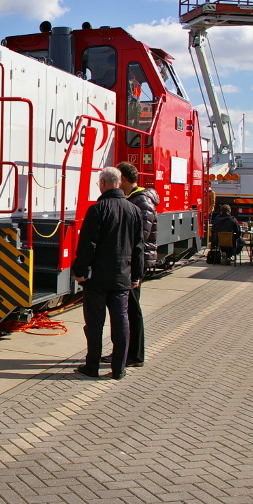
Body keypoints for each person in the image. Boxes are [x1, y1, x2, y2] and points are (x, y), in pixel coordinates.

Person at [71, 167, 144, 381]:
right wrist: (137, 275)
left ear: (103, 183)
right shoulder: (134, 210)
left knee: (94, 323)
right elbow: (138, 247)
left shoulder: (97, 209)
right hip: (122, 277)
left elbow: (88, 245)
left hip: (97, 278)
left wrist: (79, 271)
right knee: (121, 321)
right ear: (120, 183)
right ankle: (118, 368)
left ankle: (92, 366)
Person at [102, 162, 159, 369]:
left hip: (132, 265)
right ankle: (124, 351)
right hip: (130, 264)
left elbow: (138, 238)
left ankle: (134, 354)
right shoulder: (135, 200)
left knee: (131, 310)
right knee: (125, 310)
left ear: (123, 179)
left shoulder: (141, 202)